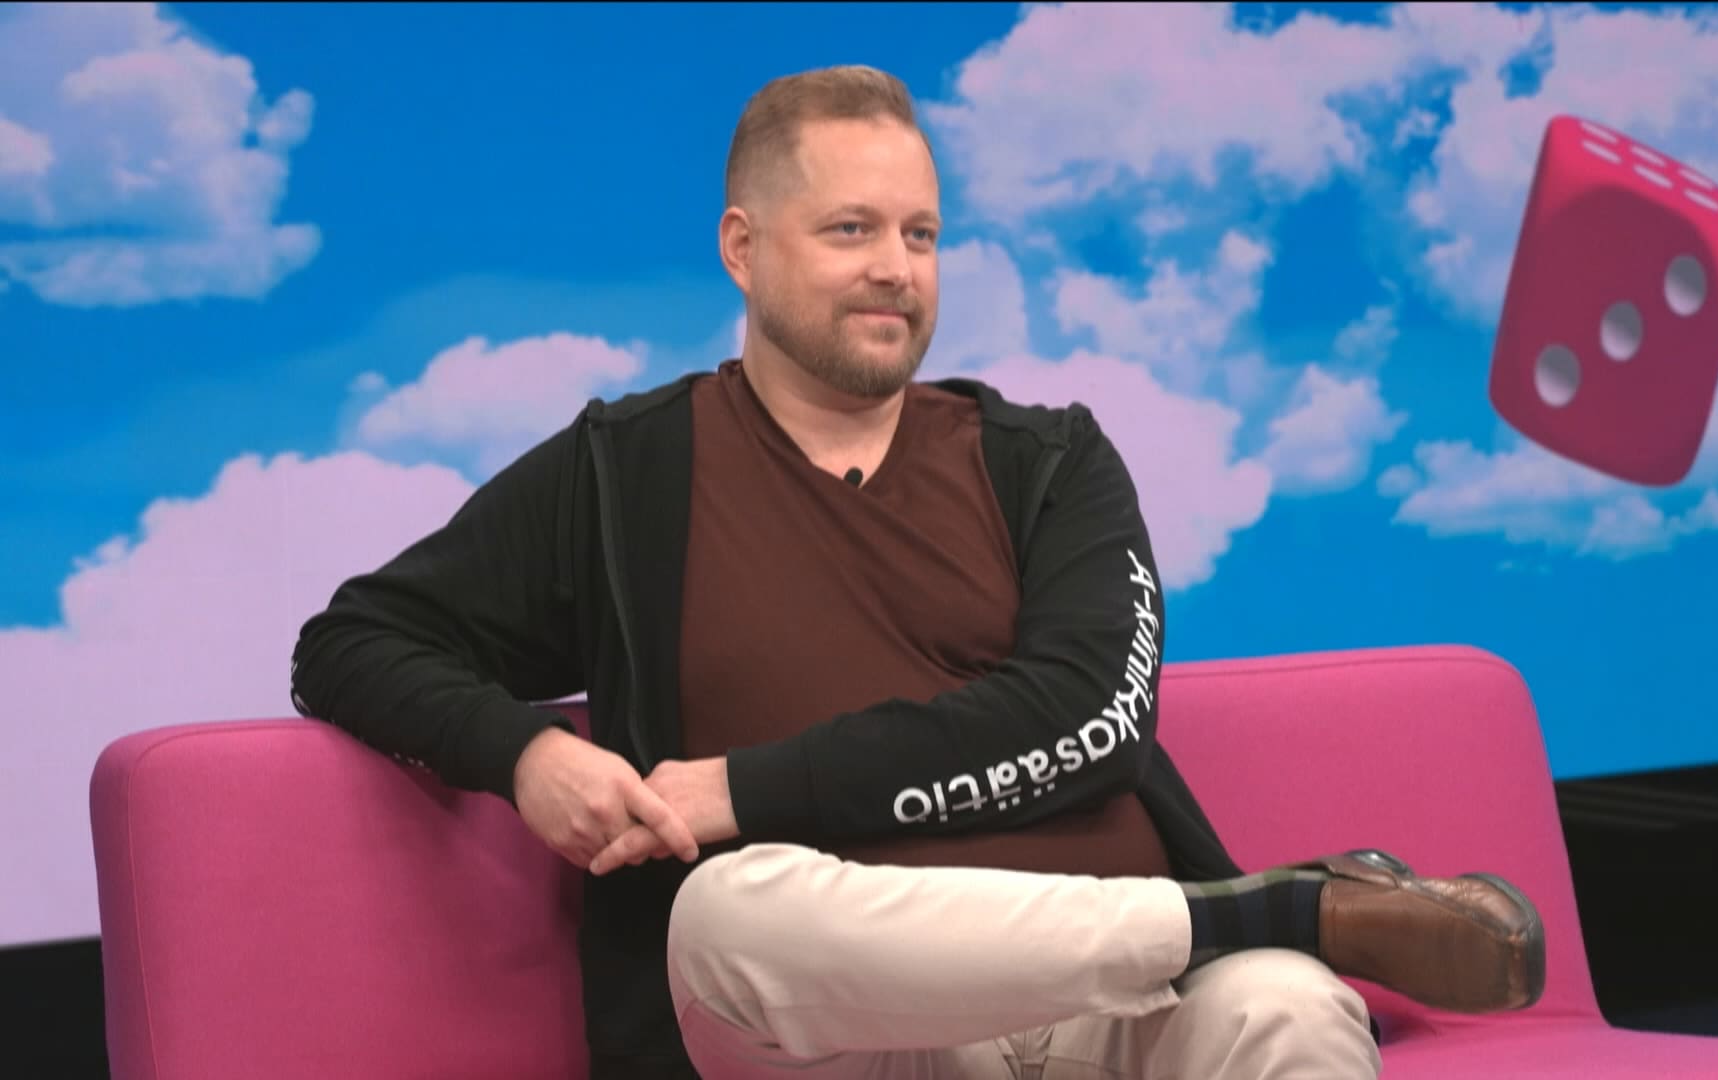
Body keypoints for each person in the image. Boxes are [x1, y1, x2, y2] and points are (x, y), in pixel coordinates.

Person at [290, 64, 1545, 1079]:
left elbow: (1092, 722)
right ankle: (1285, 907)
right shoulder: (625, 473)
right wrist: (526, 756)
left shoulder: (1049, 461)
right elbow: (349, 643)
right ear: (742, 246)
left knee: (1291, 1005)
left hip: (1125, 1007)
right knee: (728, 913)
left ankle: (1254, 934)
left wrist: (741, 788)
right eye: (851, 229)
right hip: (847, 1036)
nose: (897, 265)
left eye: (922, 233)